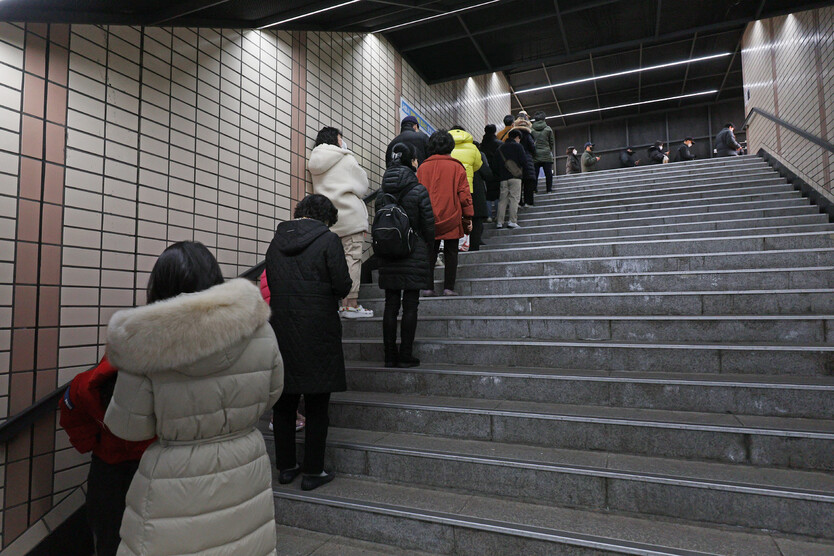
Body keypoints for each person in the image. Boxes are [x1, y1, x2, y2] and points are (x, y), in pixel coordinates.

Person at [104, 241, 284, 556]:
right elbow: (273, 392)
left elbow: (129, 428)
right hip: (246, 466)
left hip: (177, 483)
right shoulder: (259, 328)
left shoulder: (146, 345)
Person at [266, 194, 352, 492]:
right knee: (317, 405)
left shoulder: (276, 241)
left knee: (284, 402)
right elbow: (342, 284)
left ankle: (287, 468)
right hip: (318, 329)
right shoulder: (328, 240)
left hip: (281, 327)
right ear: (326, 217)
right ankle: (314, 471)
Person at [59, 356, 154, 556]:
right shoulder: (83, 389)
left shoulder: (156, 385)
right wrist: (90, 442)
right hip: (112, 463)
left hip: (139, 461)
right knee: (108, 524)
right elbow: (70, 414)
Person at [376, 143, 435, 368]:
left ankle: (389, 355)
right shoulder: (418, 190)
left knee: (390, 304)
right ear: (412, 162)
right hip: (413, 251)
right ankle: (405, 354)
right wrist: (427, 246)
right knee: (411, 304)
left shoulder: (382, 192)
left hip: (388, 253)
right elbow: (429, 226)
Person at [308, 126, 373, 319]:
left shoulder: (315, 161)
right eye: (340, 137)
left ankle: (340, 304)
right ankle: (350, 305)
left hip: (329, 220)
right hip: (351, 217)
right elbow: (362, 186)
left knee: (334, 263)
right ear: (335, 139)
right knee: (352, 259)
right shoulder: (345, 157)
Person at [417, 130, 474, 296]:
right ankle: (449, 287)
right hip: (452, 216)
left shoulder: (422, 167)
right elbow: (464, 194)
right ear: (450, 146)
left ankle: (427, 287)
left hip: (427, 218)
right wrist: (468, 215)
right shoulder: (457, 166)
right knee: (451, 252)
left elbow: (418, 193)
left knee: (429, 253)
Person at [496, 129, 527, 229]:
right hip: (515, 177)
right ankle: (512, 221)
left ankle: (499, 222)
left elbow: (494, 163)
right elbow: (524, 161)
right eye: (519, 139)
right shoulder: (518, 146)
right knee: (514, 199)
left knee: (502, 200)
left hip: (503, 178)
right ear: (517, 137)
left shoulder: (500, 148)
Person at [470, 147, 494, 250]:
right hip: (476, 194)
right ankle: (474, 246)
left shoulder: (451, 154)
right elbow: (488, 174)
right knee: (476, 221)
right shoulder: (475, 157)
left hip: (455, 194)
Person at [511, 112, 537, 206]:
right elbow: (532, 148)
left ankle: (519, 202)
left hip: (516, 161)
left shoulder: (513, 135)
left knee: (518, 183)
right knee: (528, 182)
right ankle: (528, 202)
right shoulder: (527, 134)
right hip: (527, 160)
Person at [480, 124, 504, 221]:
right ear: (494, 131)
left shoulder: (481, 146)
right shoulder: (499, 143)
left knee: (488, 194)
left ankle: (489, 215)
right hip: (498, 171)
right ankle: (498, 215)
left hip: (485, 171)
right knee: (498, 194)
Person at [531, 111, 555, 192]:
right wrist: (548, 149)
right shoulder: (548, 129)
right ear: (544, 119)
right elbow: (552, 142)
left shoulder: (531, 130)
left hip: (535, 155)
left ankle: (534, 189)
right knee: (548, 174)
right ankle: (549, 190)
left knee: (535, 174)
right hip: (546, 154)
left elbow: (530, 143)